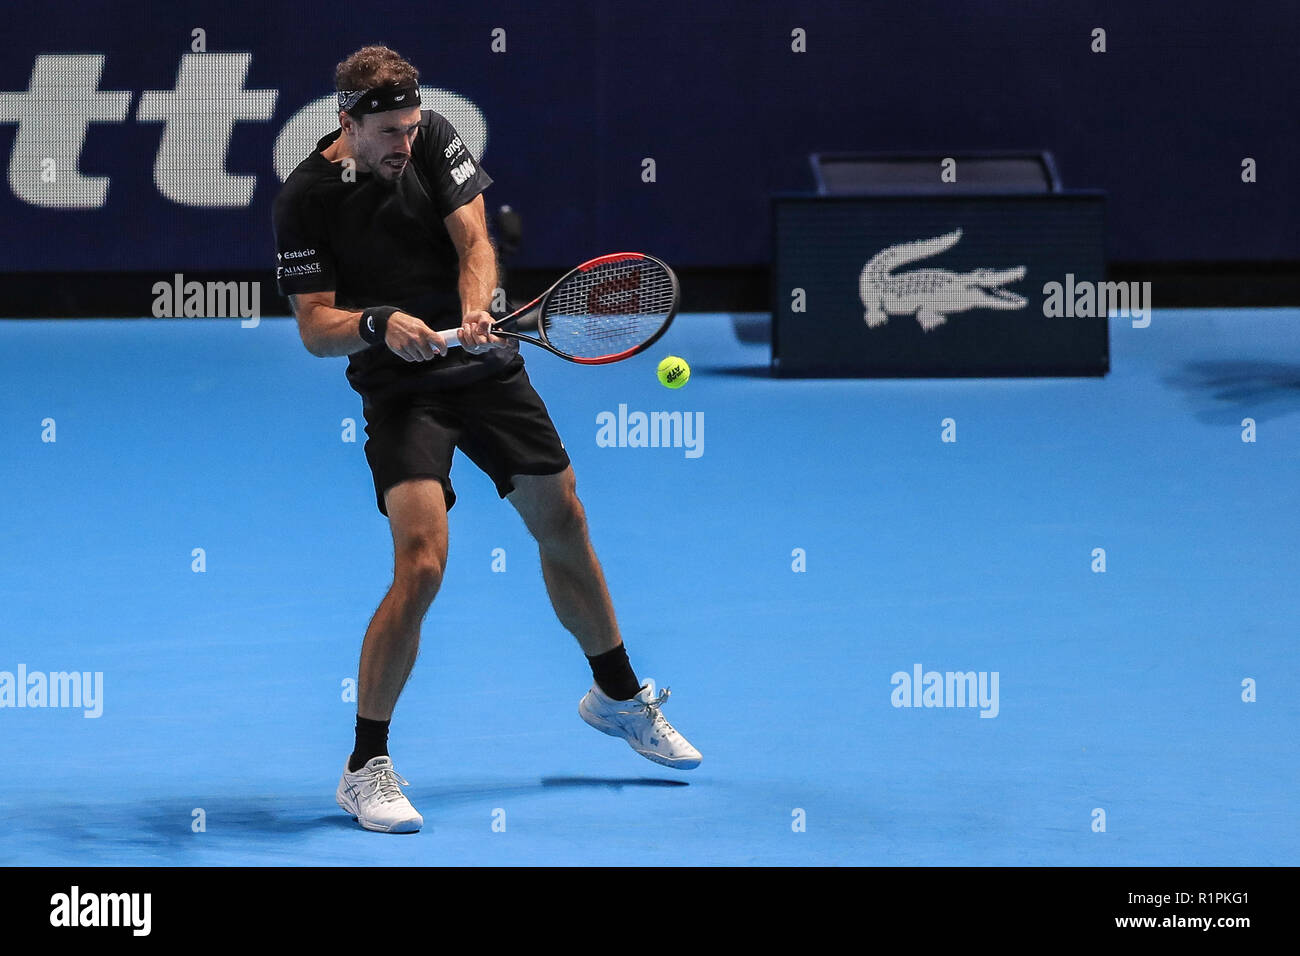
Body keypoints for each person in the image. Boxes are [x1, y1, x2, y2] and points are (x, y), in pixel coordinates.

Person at [271, 45, 700, 833]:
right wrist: (377, 325)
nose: (406, 142)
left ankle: (615, 697)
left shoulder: (434, 136)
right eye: (389, 133)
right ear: (347, 124)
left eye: (410, 126)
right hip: (401, 388)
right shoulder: (306, 197)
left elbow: (475, 243)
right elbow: (314, 329)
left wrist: (474, 310)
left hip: (483, 363)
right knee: (423, 561)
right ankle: (365, 765)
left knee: (562, 515)